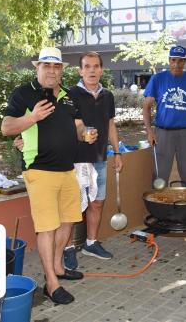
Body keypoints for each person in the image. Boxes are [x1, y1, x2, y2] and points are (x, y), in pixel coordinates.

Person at [1, 47, 95, 305]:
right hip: (39, 170)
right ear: (37, 68)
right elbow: (7, 127)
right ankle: (51, 284)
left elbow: (78, 127)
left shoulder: (67, 96)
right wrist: (32, 118)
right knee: (47, 227)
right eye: (46, 66)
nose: (52, 71)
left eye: (56, 67)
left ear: (61, 70)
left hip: (67, 169)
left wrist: (86, 132)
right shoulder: (24, 93)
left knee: (68, 221)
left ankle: (59, 268)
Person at [62, 51, 124, 269]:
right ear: (80, 70)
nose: (91, 70)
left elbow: (110, 125)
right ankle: (67, 248)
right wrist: (80, 131)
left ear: (101, 70)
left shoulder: (107, 95)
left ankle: (90, 243)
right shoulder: (69, 94)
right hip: (76, 160)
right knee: (73, 207)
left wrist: (117, 153)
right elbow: (63, 126)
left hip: (99, 158)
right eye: (87, 66)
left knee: (97, 203)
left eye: (96, 66)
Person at [143, 45, 186, 187]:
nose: (176, 64)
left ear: (185, 61)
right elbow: (146, 107)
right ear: (169, 60)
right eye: (173, 60)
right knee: (159, 177)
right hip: (163, 134)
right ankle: (158, 209)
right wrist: (150, 132)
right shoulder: (158, 79)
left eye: (180, 61)